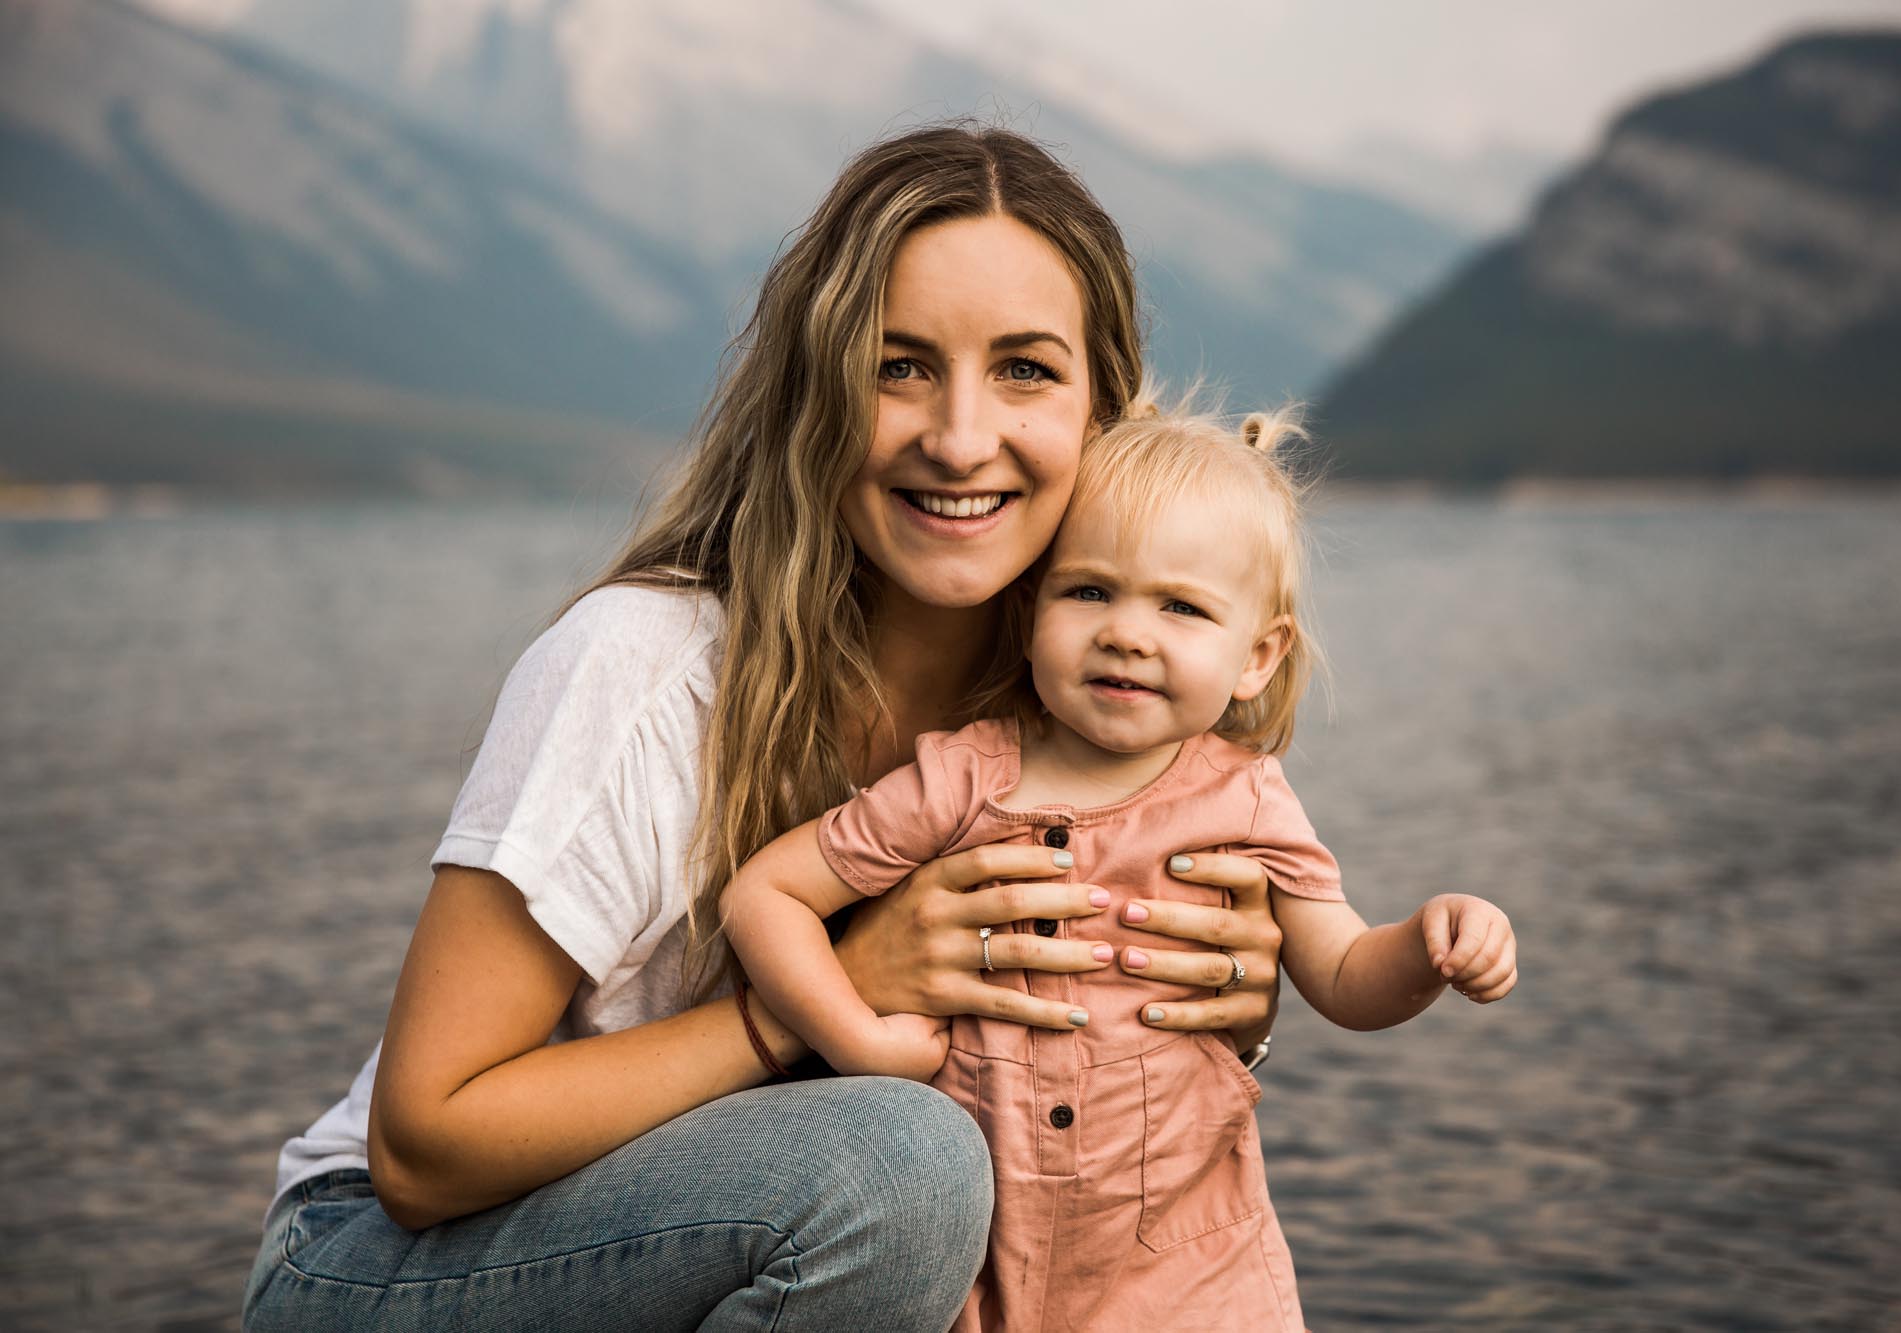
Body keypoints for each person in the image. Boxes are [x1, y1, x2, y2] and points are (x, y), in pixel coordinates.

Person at [241, 125, 1299, 1331]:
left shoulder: (1092, 693)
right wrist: (809, 1003)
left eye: (1023, 370)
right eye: (898, 366)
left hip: (751, 1241)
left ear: (1103, 407)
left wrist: (1218, 1010)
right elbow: (424, 1148)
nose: (959, 437)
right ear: (816, 390)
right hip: (379, 1264)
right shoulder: (644, 671)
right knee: (897, 1168)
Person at [723, 394, 1520, 1330]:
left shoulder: (1247, 799)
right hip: (979, 1265)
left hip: (1187, 1273)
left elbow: (1344, 975)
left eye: (1180, 606)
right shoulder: (960, 779)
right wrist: (854, 1037)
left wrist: (1430, 944)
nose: (1126, 632)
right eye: (1089, 590)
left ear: (1256, 656)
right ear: (1032, 611)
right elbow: (765, 893)